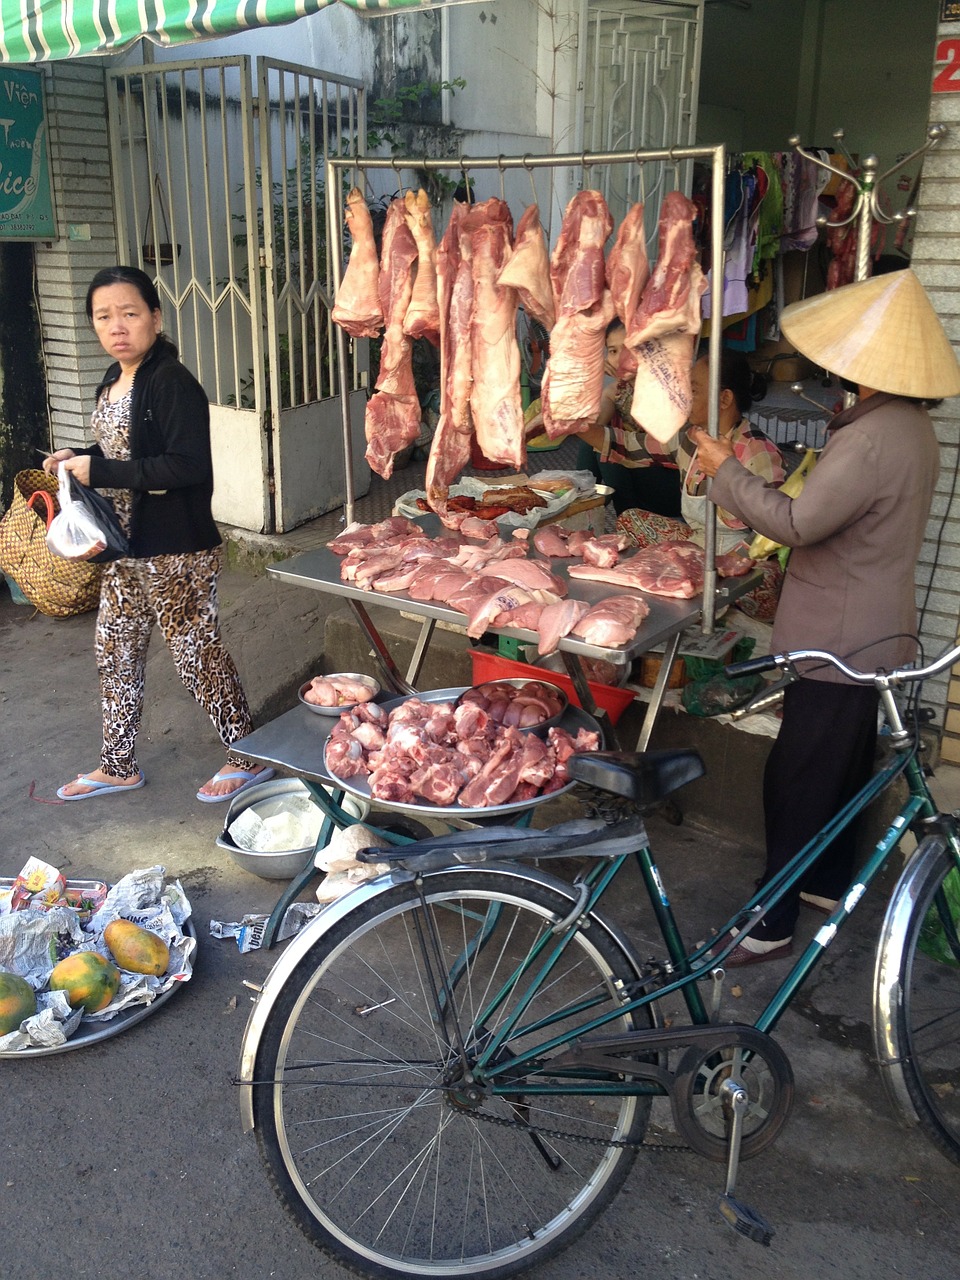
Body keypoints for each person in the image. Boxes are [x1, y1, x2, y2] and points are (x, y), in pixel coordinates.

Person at [690, 268, 960, 964]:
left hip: (840, 639)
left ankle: (770, 920)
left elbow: (798, 523)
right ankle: (824, 883)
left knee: (798, 778)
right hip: (874, 627)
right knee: (838, 770)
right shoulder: (909, 428)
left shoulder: (870, 438)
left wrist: (725, 468)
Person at [43, 265, 273, 804]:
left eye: (129, 313)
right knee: (114, 649)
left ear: (155, 317)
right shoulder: (114, 378)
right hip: (123, 548)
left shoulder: (171, 381)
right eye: (104, 316)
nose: (117, 326)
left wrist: (101, 472)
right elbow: (127, 452)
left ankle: (249, 756)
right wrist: (81, 458)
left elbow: (186, 465)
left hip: (176, 550)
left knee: (196, 653)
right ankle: (117, 765)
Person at [617, 346, 786, 620]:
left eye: (693, 389)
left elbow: (772, 531)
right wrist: (579, 426)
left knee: (762, 585)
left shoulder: (757, 450)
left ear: (724, 399)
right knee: (631, 520)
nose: (685, 397)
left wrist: (723, 564)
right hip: (698, 544)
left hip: (743, 558)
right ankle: (684, 586)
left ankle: (699, 595)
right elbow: (629, 447)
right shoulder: (691, 438)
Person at [575, 319, 682, 517]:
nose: (619, 358)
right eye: (613, 351)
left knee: (607, 448)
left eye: (628, 349)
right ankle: (580, 508)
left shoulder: (666, 386)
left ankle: (627, 519)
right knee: (594, 440)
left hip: (671, 486)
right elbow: (593, 427)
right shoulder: (617, 389)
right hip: (639, 477)